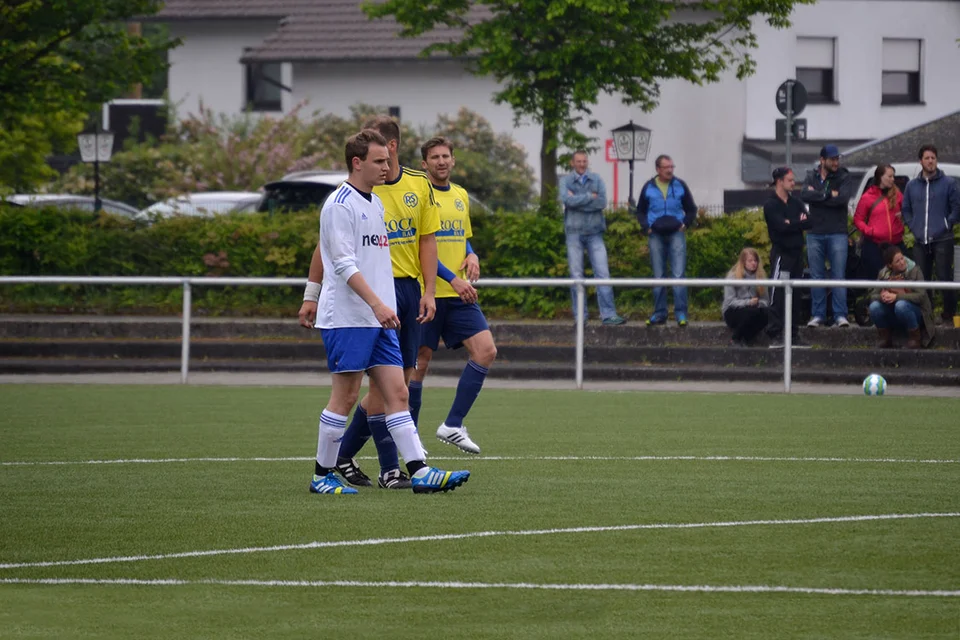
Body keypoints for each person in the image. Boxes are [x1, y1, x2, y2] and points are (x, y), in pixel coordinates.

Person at [305, 129, 468, 495]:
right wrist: (376, 303)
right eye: (379, 161)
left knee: (399, 393)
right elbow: (343, 265)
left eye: (387, 159)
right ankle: (321, 475)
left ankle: (419, 470)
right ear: (357, 162)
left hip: (379, 317)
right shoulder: (338, 205)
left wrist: (385, 306)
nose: (387, 166)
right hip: (349, 316)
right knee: (346, 398)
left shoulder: (374, 202)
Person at [408, 136, 497, 455]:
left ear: (453, 160)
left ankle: (453, 425)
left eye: (446, 156)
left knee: (486, 351)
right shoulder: (418, 195)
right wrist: (451, 279)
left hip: (460, 295)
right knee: (419, 364)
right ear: (424, 164)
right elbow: (421, 246)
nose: (441, 161)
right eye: (434, 157)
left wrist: (472, 256)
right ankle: (411, 439)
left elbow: (463, 239)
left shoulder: (460, 195)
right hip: (427, 294)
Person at [558, 151, 626, 325]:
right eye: (579, 161)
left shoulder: (597, 179)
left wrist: (577, 201)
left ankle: (609, 315)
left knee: (603, 273)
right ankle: (580, 317)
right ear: (572, 163)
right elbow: (566, 201)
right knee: (576, 276)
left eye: (584, 161)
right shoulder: (565, 181)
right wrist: (589, 197)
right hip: (573, 232)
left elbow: (602, 202)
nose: (582, 164)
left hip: (595, 232)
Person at [901, 144, 960, 324]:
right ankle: (927, 315)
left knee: (944, 277)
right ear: (921, 161)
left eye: (933, 158)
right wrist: (913, 226)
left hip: (942, 237)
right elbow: (906, 209)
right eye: (927, 158)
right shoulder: (912, 185)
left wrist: (947, 223)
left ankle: (949, 314)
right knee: (922, 279)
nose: (930, 161)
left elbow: (957, 207)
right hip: (920, 239)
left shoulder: (949, 183)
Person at [636, 154, 697, 327]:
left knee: (678, 275)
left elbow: (691, 209)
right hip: (655, 235)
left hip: (676, 233)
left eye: (672, 167)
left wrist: (684, 224)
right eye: (666, 167)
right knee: (658, 275)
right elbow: (640, 211)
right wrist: (646, 226)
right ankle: (660, 313)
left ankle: (681, 314)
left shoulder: (680, 185)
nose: (670, 170)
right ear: (658, 169)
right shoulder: (648, 187)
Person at [800, 144, 854, 328]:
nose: (836, 162)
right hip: (815, 232)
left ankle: (840, 315)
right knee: (817, 276)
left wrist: (819, 196)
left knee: (838, 275)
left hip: (837, 232)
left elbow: (842, 199)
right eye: (832, 159)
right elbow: (804, 195)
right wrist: (828, 195)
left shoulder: (844, 176)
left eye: (837, 158)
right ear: (822, 160)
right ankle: (818, 315)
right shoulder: (811, 175)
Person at [763, 167, 812, 349]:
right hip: (782, 255)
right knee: (778, 293)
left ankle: (793, 334)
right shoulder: (771, 204)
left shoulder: (796, 202)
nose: (793, 183)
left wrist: (792, 223)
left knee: (796, 295)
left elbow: (809, 222)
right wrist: (796, 224)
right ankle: (775, 333)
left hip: (797, 254)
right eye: (790, 180)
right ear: (780, 181)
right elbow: (779, 227)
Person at [868, 244, 936, 349]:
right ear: (890, 265)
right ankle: (885, 338)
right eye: (897, 261)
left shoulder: (915, 270)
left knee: (901, 305)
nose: (902, 262)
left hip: (917, 313)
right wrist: (882, 296)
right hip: (893, 312)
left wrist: (896, 296)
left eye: (902, 258)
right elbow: (873, 295)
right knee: (874, 307)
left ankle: (915, 339)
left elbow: (921, 296)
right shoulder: (883, 273)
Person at [853, 164, 905, 281]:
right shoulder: (867, 197)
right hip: (875, 246)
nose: (893, 179)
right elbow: (857, 219)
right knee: (877, 279)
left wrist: (903, 218)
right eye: (889, 176)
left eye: (893, 176)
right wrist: (869, 231)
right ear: (880, 177)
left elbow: (908, 210)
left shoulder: (898, 194)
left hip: (896, 244)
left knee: (899, 279)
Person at [722, 248, 769, 347]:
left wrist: (758, 303)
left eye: (755, 260)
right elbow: (730, 301)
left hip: (754, 308)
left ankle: (746, 338)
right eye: (750, 261)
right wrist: (748, 302)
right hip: (733, 310)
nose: (753, 263)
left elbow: (765, 300)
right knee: (749, 312)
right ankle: (735, 339)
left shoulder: (761, 277)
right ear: (743, 262)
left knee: (767, 314)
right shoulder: (733, 276)